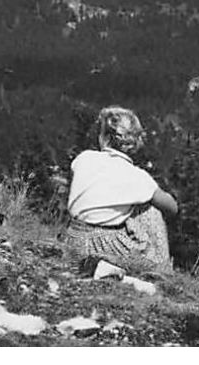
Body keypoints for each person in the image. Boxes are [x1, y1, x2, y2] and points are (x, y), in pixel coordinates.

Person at [65, 106, 177, 274]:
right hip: (104, 243)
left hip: (73, 240)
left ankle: (96, 266)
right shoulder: (137, 176)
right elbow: (172, 207)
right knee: (150, 209)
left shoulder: (84, 158)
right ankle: (159, 268)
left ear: (103, 137)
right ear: (134, 142)